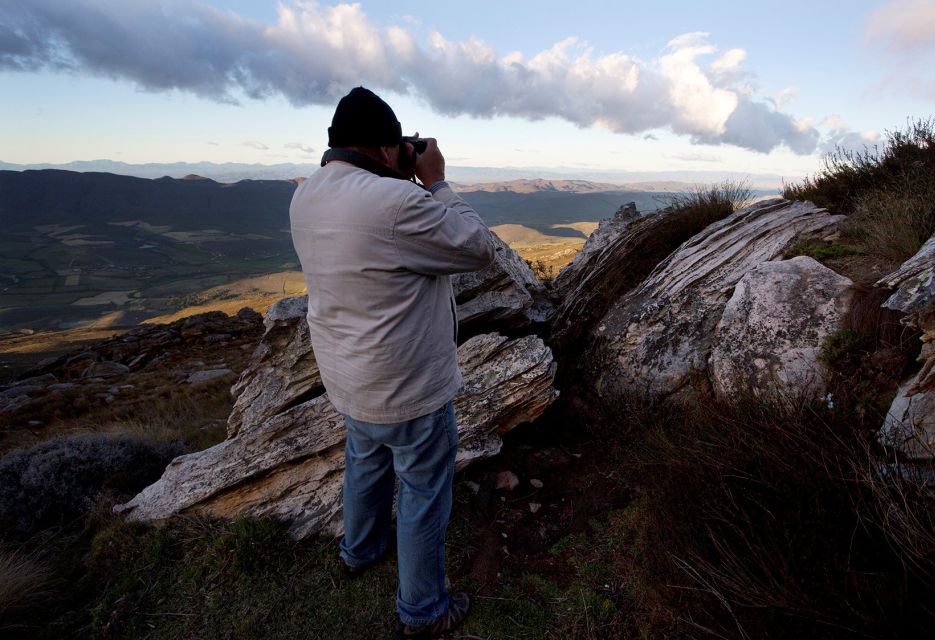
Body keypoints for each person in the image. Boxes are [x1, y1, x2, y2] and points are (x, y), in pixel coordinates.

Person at [289, 87, 495, 638]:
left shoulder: (305, 196)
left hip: (346, 377)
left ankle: (359, 550)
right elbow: (478, 247)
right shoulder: (398, 204)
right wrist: (435, 180)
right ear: (384, 150)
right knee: (423, 492)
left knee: (366, 460)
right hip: (407, 387)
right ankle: (424, 610)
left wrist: (399, 172)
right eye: (398, 143)